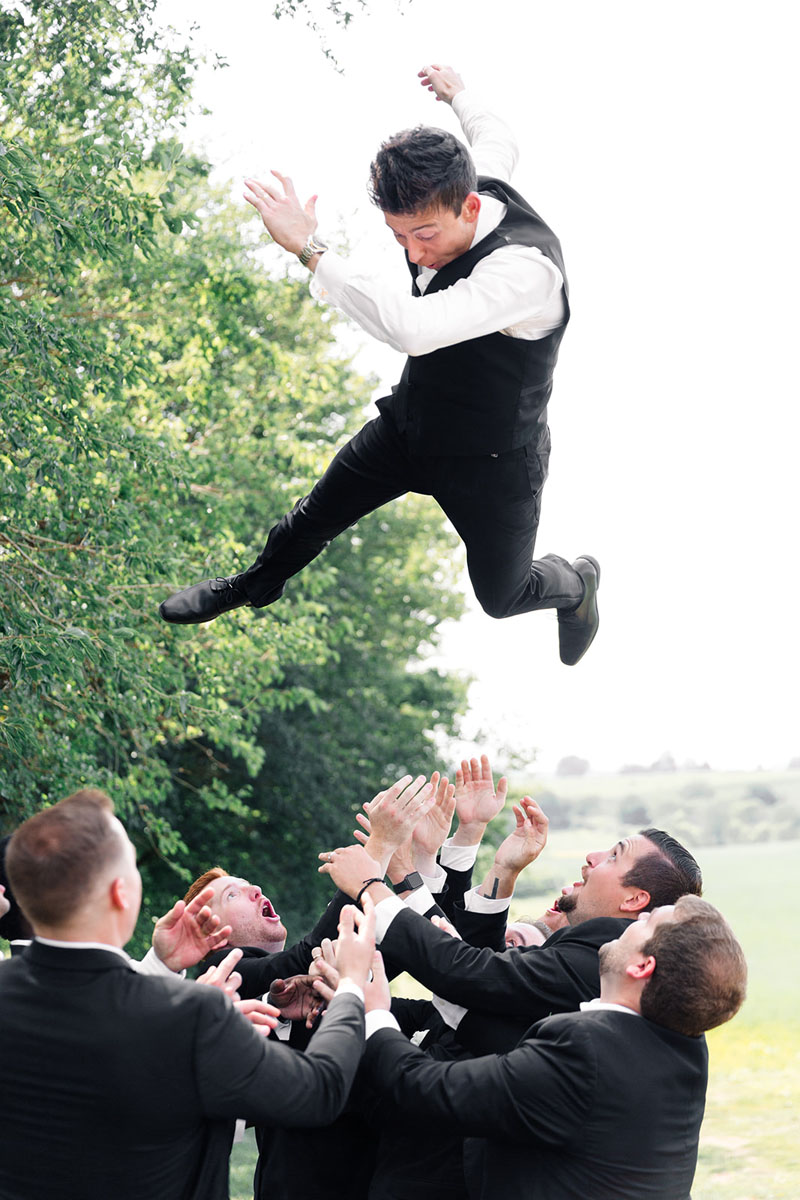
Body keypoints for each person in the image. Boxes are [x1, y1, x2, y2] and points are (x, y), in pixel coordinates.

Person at [159, 63, 600, 667]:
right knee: (308, 520)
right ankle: (249, 588)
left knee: (503, 596)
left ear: (471, 207)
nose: (415, 254)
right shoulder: (471, 181)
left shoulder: (524, 271)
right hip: (413, 427)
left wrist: (310, 250)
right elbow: (497, 134)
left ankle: (575, 586)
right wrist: (457, 93)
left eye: (424, 235)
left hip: (493, 459)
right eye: (399, 238)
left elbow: (414, 329)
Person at [0, 788, 373, 1200]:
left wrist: (165, 969)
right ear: (121, 893)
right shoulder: (191, 1015)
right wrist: (352, 987)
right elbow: (318, 1092)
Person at [359, 895, 747, 1200]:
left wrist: (374, 1009)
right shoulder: (685, 1046)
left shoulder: (584, 1047)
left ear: (642, 967)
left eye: (646, 923)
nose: (632, 923)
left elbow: (424, 1087)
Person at [320, 825, 704, 1053]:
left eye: (614, 856)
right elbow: (485, 977)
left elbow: (468, 974)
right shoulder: (596, 950)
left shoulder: (603, 956)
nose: (592, 856)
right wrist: (504, 869)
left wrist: (374, 885)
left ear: (635, 899)